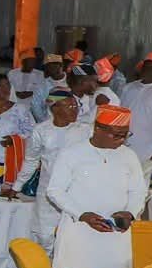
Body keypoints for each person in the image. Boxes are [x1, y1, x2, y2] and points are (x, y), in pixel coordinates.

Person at [47, 105, 148, 268]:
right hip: (78, 234)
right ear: (98, 129)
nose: (122, 140)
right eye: (117, 134)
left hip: (114, 236)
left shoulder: (129, 156)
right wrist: (82, 215)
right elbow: (55, 190)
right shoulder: (72, 153)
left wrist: (130, 213)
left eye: (126, 134)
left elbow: (138, 191)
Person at [10, 89, 91, 251]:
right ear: (54, 108)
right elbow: (31, 161)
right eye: (69, 106)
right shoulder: (41, 131)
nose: (75, 109)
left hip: (75, 192)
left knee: (71, 238)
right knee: (44, 237)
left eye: (76, 106)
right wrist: (16, 187)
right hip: (47, 192)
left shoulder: (85, 130)